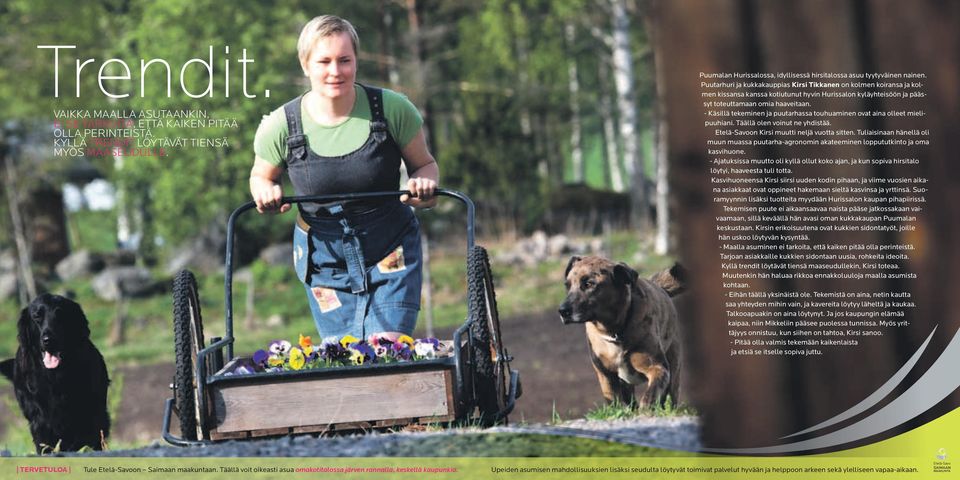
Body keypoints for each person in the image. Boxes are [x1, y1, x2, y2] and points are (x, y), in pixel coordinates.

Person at [249, 15, 438, 342]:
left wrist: (422, 188)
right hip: (325, 264)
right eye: (324, 61)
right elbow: (260, 177)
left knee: (386, 351)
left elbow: (425, 167)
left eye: (344, 60)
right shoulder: (281, 126)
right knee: (342, 357)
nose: (335, 71)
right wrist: (265, 191)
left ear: (356, 61)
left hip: (390, 251)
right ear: (305, 64)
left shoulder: (391, 110)